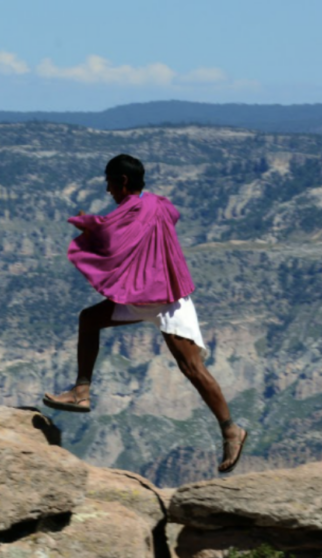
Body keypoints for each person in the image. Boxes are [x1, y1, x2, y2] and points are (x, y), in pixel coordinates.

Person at [42, 154, 247, 473]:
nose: (107, 189)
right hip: (145, 292)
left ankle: (231, 430)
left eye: (109, 181)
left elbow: (110, 238)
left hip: (166, 299)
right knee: (89, 319)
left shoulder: (136, 209)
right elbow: (166, 216)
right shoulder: (155, 203)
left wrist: (87, 223)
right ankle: (81, 391)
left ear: (122, 181)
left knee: (192, 368)